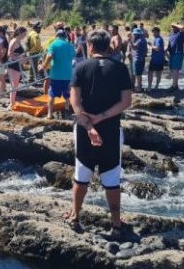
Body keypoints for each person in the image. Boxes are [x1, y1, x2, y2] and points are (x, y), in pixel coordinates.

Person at [67, 29, 132, 236]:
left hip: (84, 131)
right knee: (112, 179)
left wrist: (89, 126)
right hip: (111, 130)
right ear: (110, 47)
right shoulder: (121, 68)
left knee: (81, 175)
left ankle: (75, 217)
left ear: (90, 46)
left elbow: (74, 102)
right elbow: (126, 102)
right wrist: (102, 117)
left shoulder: (81, 67)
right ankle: (116, 224)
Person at [44, 29, 75, 119]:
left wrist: (45, 66)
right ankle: (66, 112)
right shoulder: (70, 45)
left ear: (56, 36)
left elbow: (49, 56)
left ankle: (49, 114)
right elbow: (73, 56)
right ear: (65, 36)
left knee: (52, 94)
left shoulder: (54, 44)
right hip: (68, 74)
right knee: (67, 95)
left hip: (56, 75)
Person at [7, 27, 27, 110]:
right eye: (24, 34)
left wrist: (23, 57)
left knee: (16, 85)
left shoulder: (19, 41)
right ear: (20, 33)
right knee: (14, 85)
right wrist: (18, 59)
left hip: (17, 64)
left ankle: (12, 102)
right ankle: (11, 104)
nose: (25, 36)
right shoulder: (14, 41)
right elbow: (9, 54)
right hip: (13, 64)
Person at [167, 23, 184, 90]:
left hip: (178, 53)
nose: (173, 28)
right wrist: (166, 52)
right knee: (173, 70)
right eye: (172, 27)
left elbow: (183, 28)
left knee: (175, 69)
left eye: (174, 27)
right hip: (172, 54)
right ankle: (176, 85)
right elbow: (169, 45)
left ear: (178, 28)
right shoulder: (172, 35)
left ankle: (174, 86)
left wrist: (175, 24)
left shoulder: (180, 34)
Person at [0, 25, 9, 97]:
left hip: (1, 61)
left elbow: (4, 51)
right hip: (0, 60)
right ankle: (0, 90)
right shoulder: (2, 39)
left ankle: (1, 91)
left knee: (0, 77)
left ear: (0, 32)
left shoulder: (3, 39)